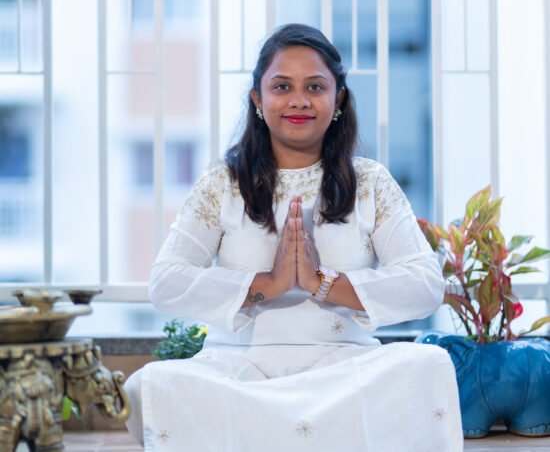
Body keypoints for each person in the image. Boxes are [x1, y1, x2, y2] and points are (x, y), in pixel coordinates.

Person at [125, 23, 463, 452]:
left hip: (344, 371)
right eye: (282, 86)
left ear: (338, 99)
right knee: (145, 388)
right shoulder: (222, 183)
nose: (299, 100)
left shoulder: (370, 182)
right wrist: (268, 284)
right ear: (258, 99)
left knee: (428, 362)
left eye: (315, 87)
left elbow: (425, 284)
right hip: (240, 371)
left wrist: (324, 283)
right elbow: (166, 282)